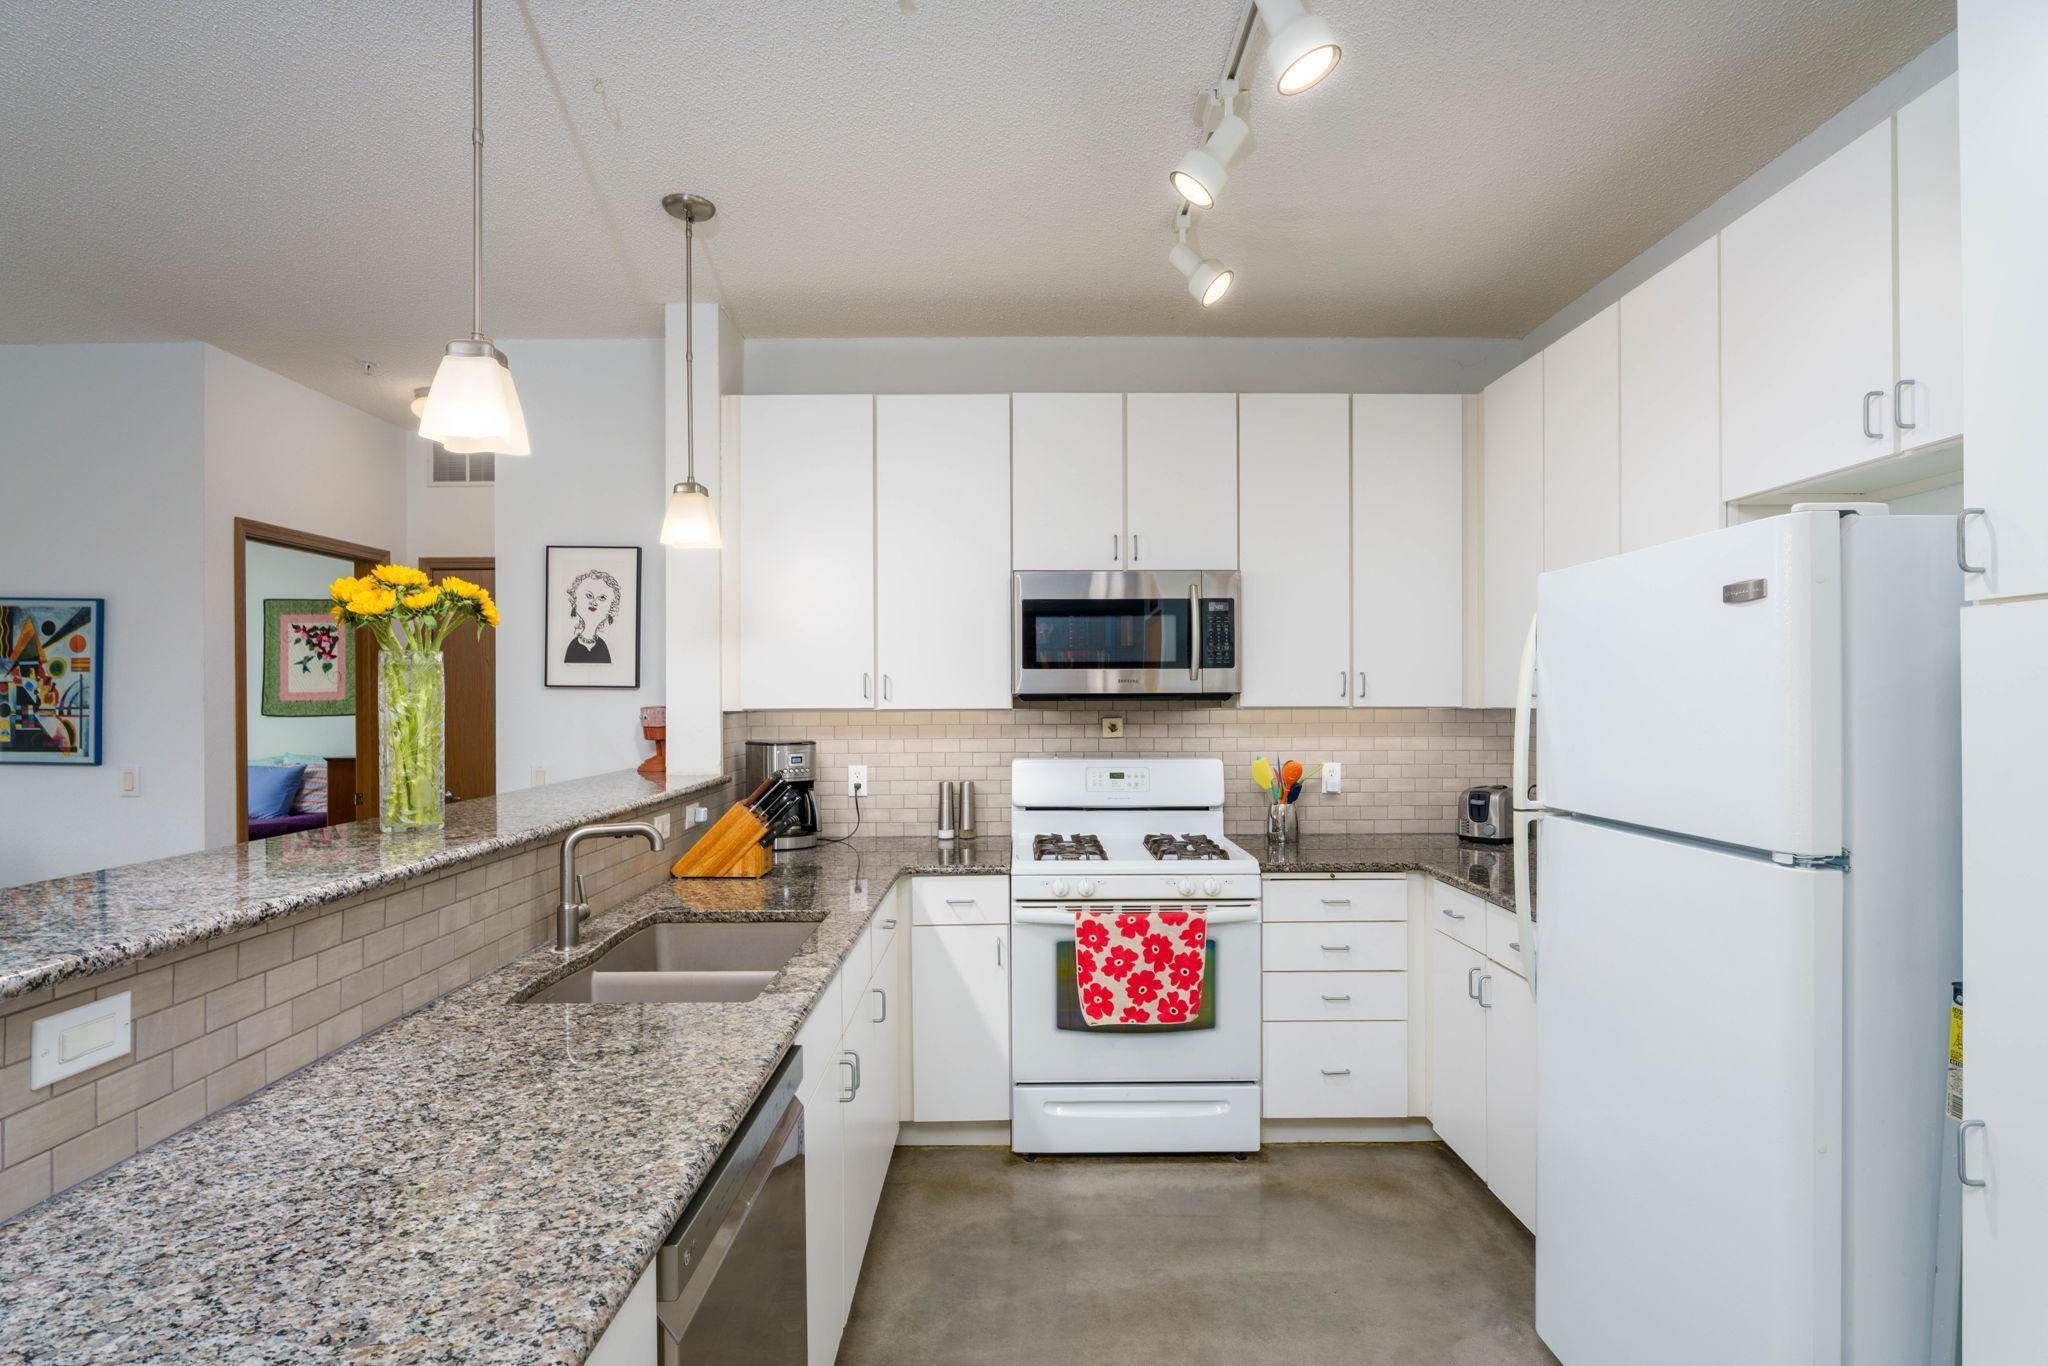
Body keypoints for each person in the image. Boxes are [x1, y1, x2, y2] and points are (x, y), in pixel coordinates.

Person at [563, 568, 621, 665]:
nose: (594, 602)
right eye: (589, 595)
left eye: (602, 598)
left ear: (611, 609)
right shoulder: (573, 646)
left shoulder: (602, 646)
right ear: (575, 599)